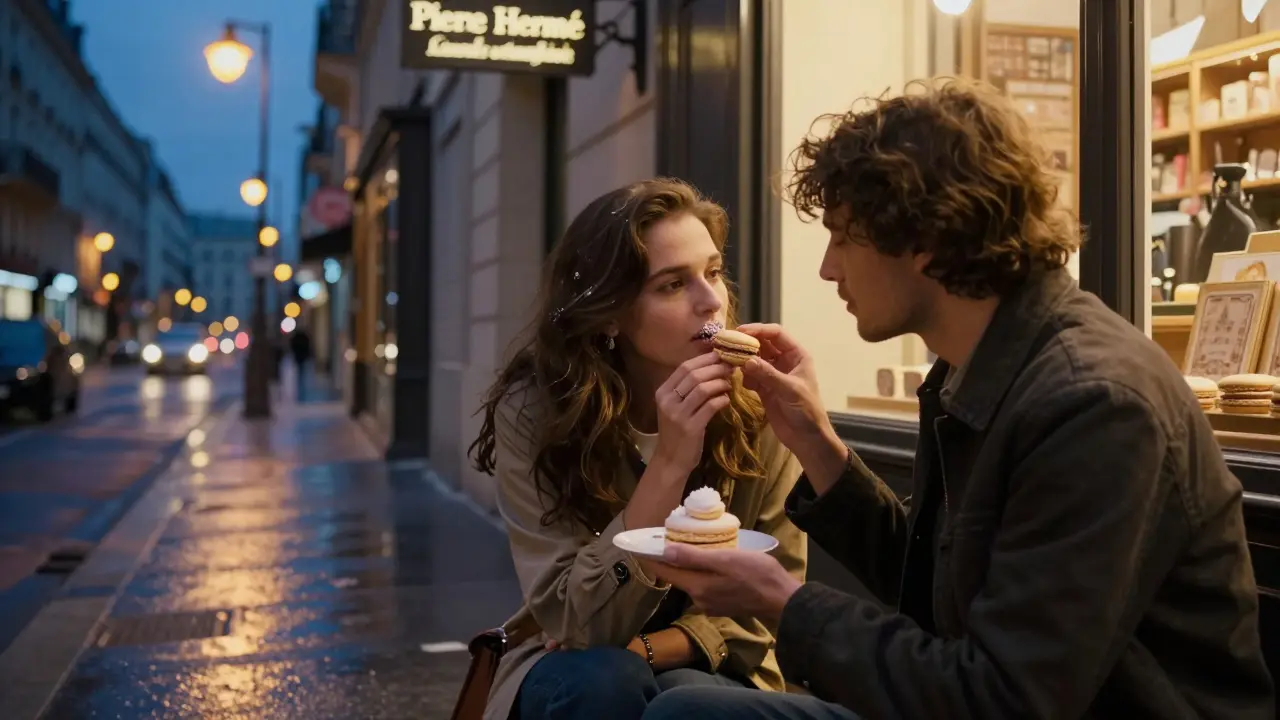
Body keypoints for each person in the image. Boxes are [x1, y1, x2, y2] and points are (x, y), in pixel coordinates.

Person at [640, 78, 1276, 719]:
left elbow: (1006, 699)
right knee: (683, 706)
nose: (828, 270)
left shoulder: (1094, 403)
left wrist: (782, 602)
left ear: (923, 239)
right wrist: (816, 442)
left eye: (842, 237)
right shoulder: (978, 364)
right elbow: (932, 591)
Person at [467, 178, 808, 720]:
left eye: (713, 273)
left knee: (695, 702)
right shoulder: (537, 412)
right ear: (609, 313)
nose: (710, 301)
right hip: (576, 670)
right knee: (606, 681)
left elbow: (774, 603)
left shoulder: (757, 408)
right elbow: (573, 623)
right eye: (673, 285)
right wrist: (669, 463)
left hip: (719, 663)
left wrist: (651, 647)